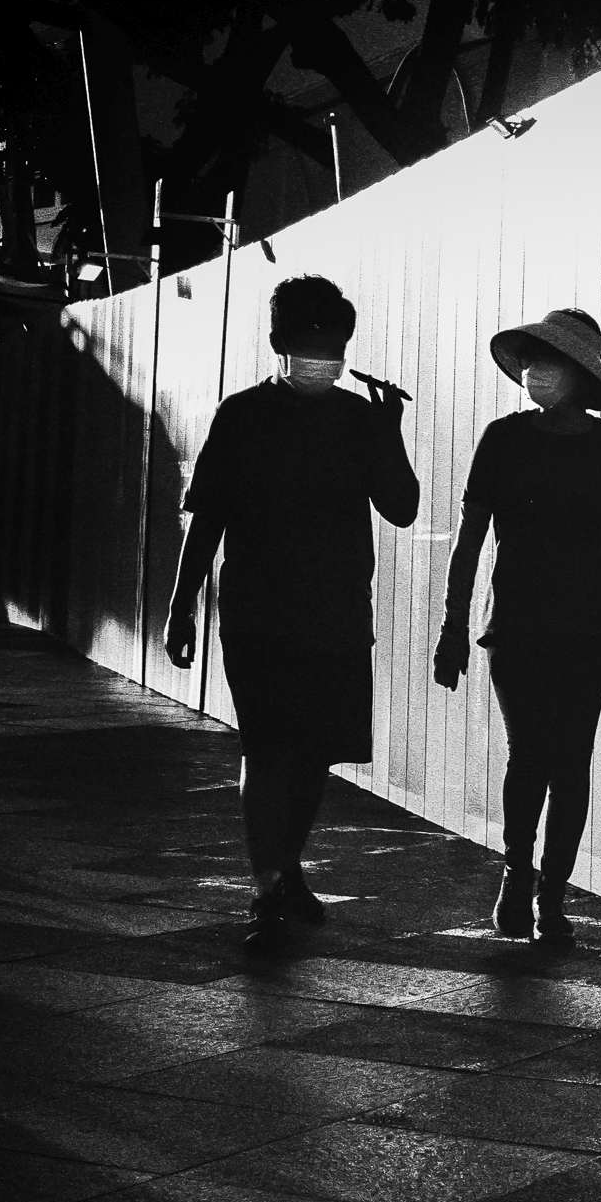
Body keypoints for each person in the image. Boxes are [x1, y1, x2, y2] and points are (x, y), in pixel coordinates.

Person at [165, 275, 418, 951]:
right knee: (269, 749)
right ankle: (267, 884)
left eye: (334, 343)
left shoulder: (361, 419)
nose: (324, 355)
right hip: (258, 614)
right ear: (279, 342)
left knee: (313, 758)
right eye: (312, 341)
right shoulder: (242, 415)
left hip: (335, 615)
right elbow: (208, 517)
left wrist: (390, 433)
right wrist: (181, 605)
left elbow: (403, 507)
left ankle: (284, 868)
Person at [434, 307, 601, 949]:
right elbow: (469, 538)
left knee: (572, 761)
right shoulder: (502, 440)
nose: (533, 372)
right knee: (530, 754)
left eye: (548, 362)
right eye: (529, 361)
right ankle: (517, 875)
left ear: (579, 375)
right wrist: (453, 625)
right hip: (518, 625)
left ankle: (552, 895)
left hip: (588, 630)